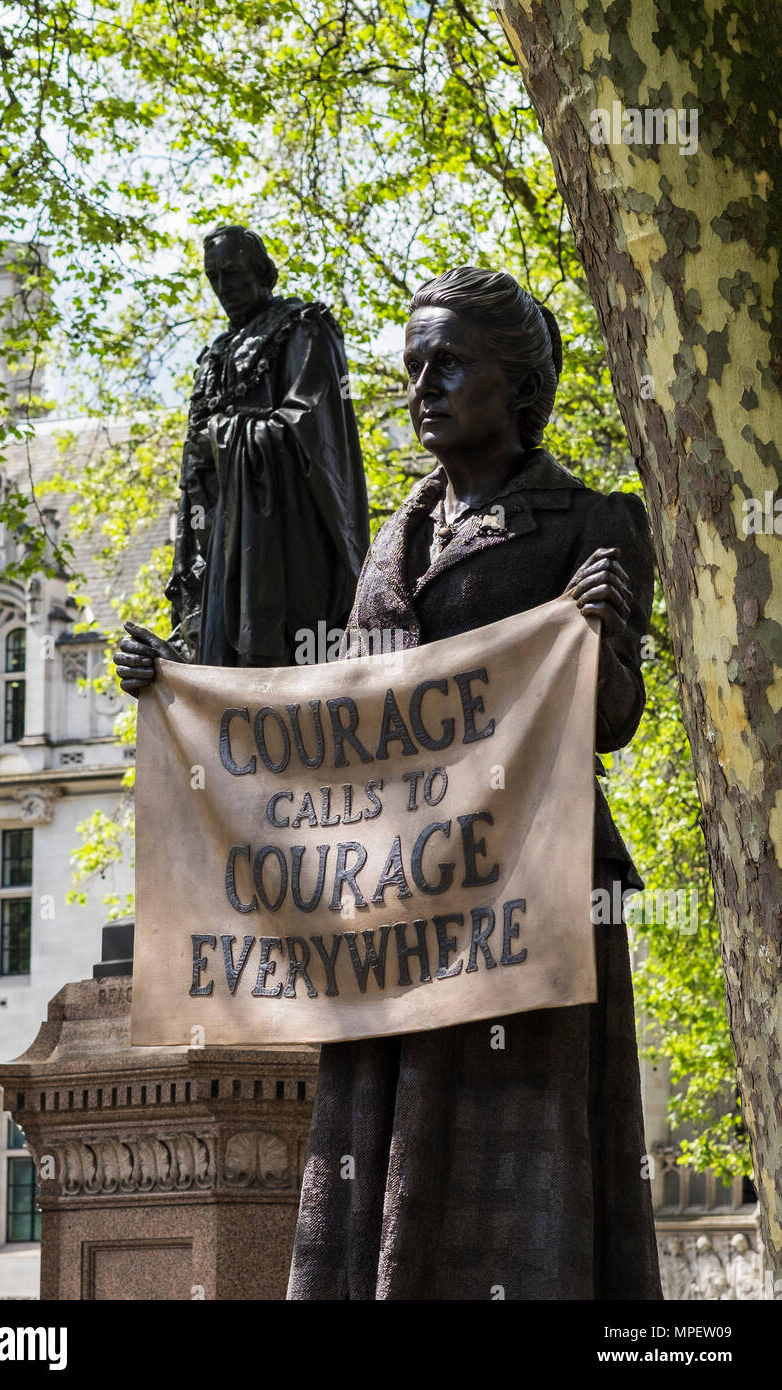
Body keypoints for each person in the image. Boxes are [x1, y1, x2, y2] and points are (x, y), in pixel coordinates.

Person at [285, 266, 663, 1301]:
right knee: (383, 1144)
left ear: (520, 383)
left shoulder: (589, 521)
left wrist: (592, 638)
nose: (422, 388)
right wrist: (174, 686)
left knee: (517, 1160)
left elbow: (615, 720)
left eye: (448, 364)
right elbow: (340, 715)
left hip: (528, 896)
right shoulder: (389, 540)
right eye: (413, 368)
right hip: (397, 898)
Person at [115, 224, 369, 689]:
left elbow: (308, 434)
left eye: (232, 272)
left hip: (287, 549)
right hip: (221, 548)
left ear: (263, 271)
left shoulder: (304, 329)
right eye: (213, 277)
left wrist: (221, 437)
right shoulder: (214, 356)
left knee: (287, 677)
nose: (223, 287)